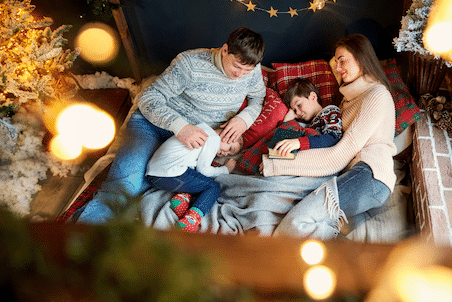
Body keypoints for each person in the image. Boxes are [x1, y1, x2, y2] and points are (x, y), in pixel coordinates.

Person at [75, 27, 266, 224]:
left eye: (247, 71)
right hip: (154, 127)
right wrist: (181, 127)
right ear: (225, 50)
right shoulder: (189, 63)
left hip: (193, 143)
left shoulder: (252, 70)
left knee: (150, 183)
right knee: (126, 186)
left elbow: (258, 97)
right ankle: (80, 239)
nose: (241, 75)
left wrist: (244, 119)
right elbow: (149, 98)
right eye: (236, 67)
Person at [261, 33, 396, 229]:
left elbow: (339, 155)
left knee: (296, 222)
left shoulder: (377, 95)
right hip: (350, 173)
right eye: (336, 63)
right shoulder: (348, 100)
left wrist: (276, 162)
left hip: (370, 174)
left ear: (361, 58)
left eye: (342, 61)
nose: (338, 68)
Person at [146, 123, 242, 232]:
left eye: (229, 154)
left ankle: (182, 199)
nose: (226, 154)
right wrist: (226, 169)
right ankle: (191, 220)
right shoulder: (213, 139)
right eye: (230, 149)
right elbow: (204, 171)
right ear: (227, 135)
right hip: (167, 173)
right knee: (213, 187)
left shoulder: (200, 129)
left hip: (155, 173)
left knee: (197, 179)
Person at [271, 79, 343, 157]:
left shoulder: (329, 111)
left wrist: (299, 142)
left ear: (313, 97)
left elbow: (333, 138)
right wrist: (287, 121)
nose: (297, 113)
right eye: (295, 110)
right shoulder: (306, 124)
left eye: (299, 105)